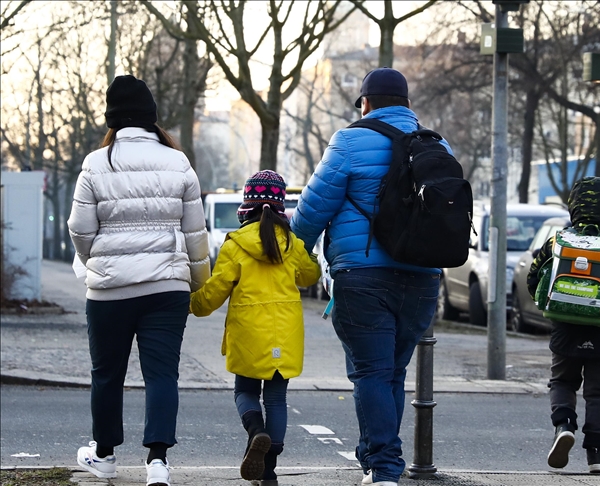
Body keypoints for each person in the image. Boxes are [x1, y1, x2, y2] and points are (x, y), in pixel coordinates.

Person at [290, 67, 449, 486]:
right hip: (421, 278)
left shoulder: (349, 140)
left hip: (363, 276)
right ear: (408, 105)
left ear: (365, 103)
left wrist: (295, 253)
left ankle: (382, 468)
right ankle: (377, 460)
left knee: (372, 373)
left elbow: (311, 209)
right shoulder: (435, 144)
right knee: (391, 373)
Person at [67, 75, 210, 486]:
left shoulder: (97, 163)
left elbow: (79, 229)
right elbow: (195, 235)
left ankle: (105, 455)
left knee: (107, 374)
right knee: (162, 374)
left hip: (109, 291)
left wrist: (92, 261)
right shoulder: (178, 162)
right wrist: (197, 281)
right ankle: (158, 463)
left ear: (112, 119)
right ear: (152, 118)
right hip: (167, 288)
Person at [189, 170, 321, 486]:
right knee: (276, 400)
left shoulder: (235, 245)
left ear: (246, 204)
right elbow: (309, 276)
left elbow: (215, 291)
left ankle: (255, 431)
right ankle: (269, 472)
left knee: (245, 391)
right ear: (279, 206)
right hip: (285, 335)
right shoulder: (291, 243)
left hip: (249, 336)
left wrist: (193, 303)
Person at [526, 177, 600, 474]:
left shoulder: (557, 242)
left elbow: (533, 278)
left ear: (574, 207)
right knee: (599, 391)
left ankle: (564, 426)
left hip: (566, 328)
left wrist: (555, 310)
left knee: (563, 381)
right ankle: (598, 454)